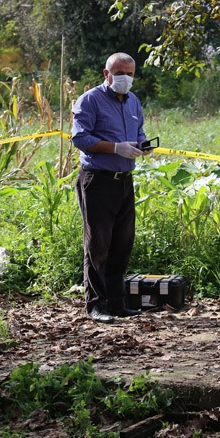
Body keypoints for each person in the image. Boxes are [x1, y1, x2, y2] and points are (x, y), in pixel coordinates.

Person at [71, 52, 150, 323]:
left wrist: (141, 145)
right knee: (98, 246)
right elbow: (80, 137)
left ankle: (117, 303)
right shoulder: (90, 100)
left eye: (129, 73)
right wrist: (116, 148)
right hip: (98, 180)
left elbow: (139, 133)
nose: (125, 78)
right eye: (119, 73)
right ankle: (96, 305)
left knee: (122, 244)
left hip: (124, 181)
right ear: (107, 74)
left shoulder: (134, 102)